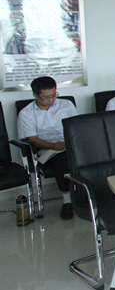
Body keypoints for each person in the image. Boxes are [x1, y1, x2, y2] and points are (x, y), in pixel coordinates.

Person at [17, 76, 78, 220]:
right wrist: (53, 146)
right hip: (47, 150)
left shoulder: (66, 105)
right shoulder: (26, 113)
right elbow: (33, 139)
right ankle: (68, 201)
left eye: (54, 95)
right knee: (63, 160)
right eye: (46, 97)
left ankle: (90, 196)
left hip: (71, 145)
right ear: (35, 95)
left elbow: (77, 126)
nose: (51, 100)